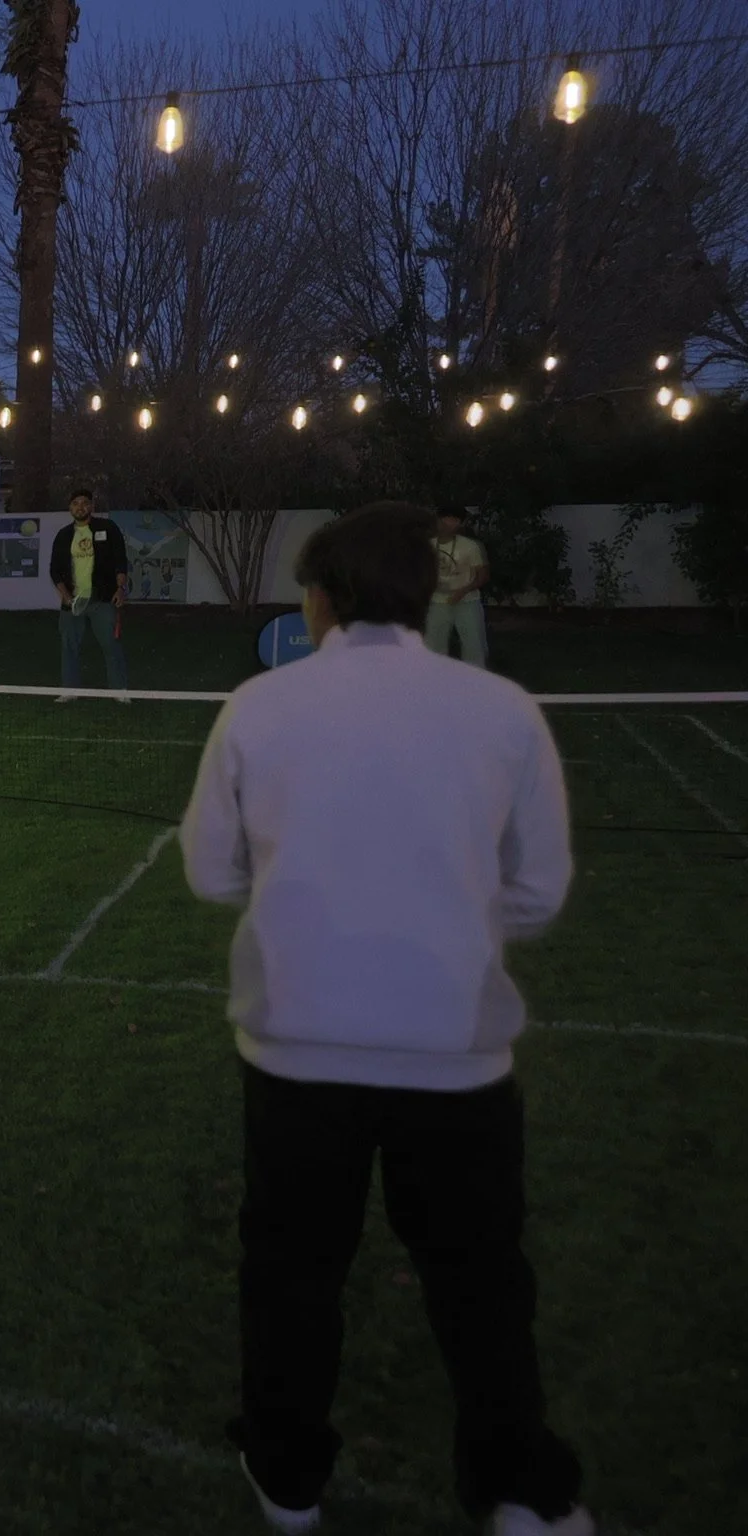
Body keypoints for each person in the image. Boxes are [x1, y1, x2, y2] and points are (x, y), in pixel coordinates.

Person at [179, 502, 590, 1536]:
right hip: (453, 1053)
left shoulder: (261, 707)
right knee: (481, 1281)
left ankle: (287, 1477)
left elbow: (210, 870)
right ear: (423, 591)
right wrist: (445, 920)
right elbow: (537, 889)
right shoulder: (500, 710)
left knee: (293, 1273)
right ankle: (518, 1490)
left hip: (298, 1052)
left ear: (322, 599)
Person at [49, 488, 129, 698]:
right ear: (70, 508)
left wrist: (120, 589)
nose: (80, 507)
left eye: (85, 503)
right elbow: (55, 570)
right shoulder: (64, 535)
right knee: (69, 647)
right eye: (75, 503)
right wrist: (67, 597)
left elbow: (120, 562)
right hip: (73, 601)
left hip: (102, 598)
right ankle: (70, 691)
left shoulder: (108, 528)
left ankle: (119, 691)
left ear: (92, 506)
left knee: (111, 645)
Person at [428, 505, 491, 667]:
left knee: (473, 645)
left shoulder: (470, 546)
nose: (449, 523)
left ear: (460, 523)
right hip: (437, 601)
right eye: (446, 518)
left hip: (467, 601)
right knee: (434, 646)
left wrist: (463, 591)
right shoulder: (429, 545)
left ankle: (475, 678)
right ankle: (434, 677)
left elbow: (483, 576)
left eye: (454, 520)